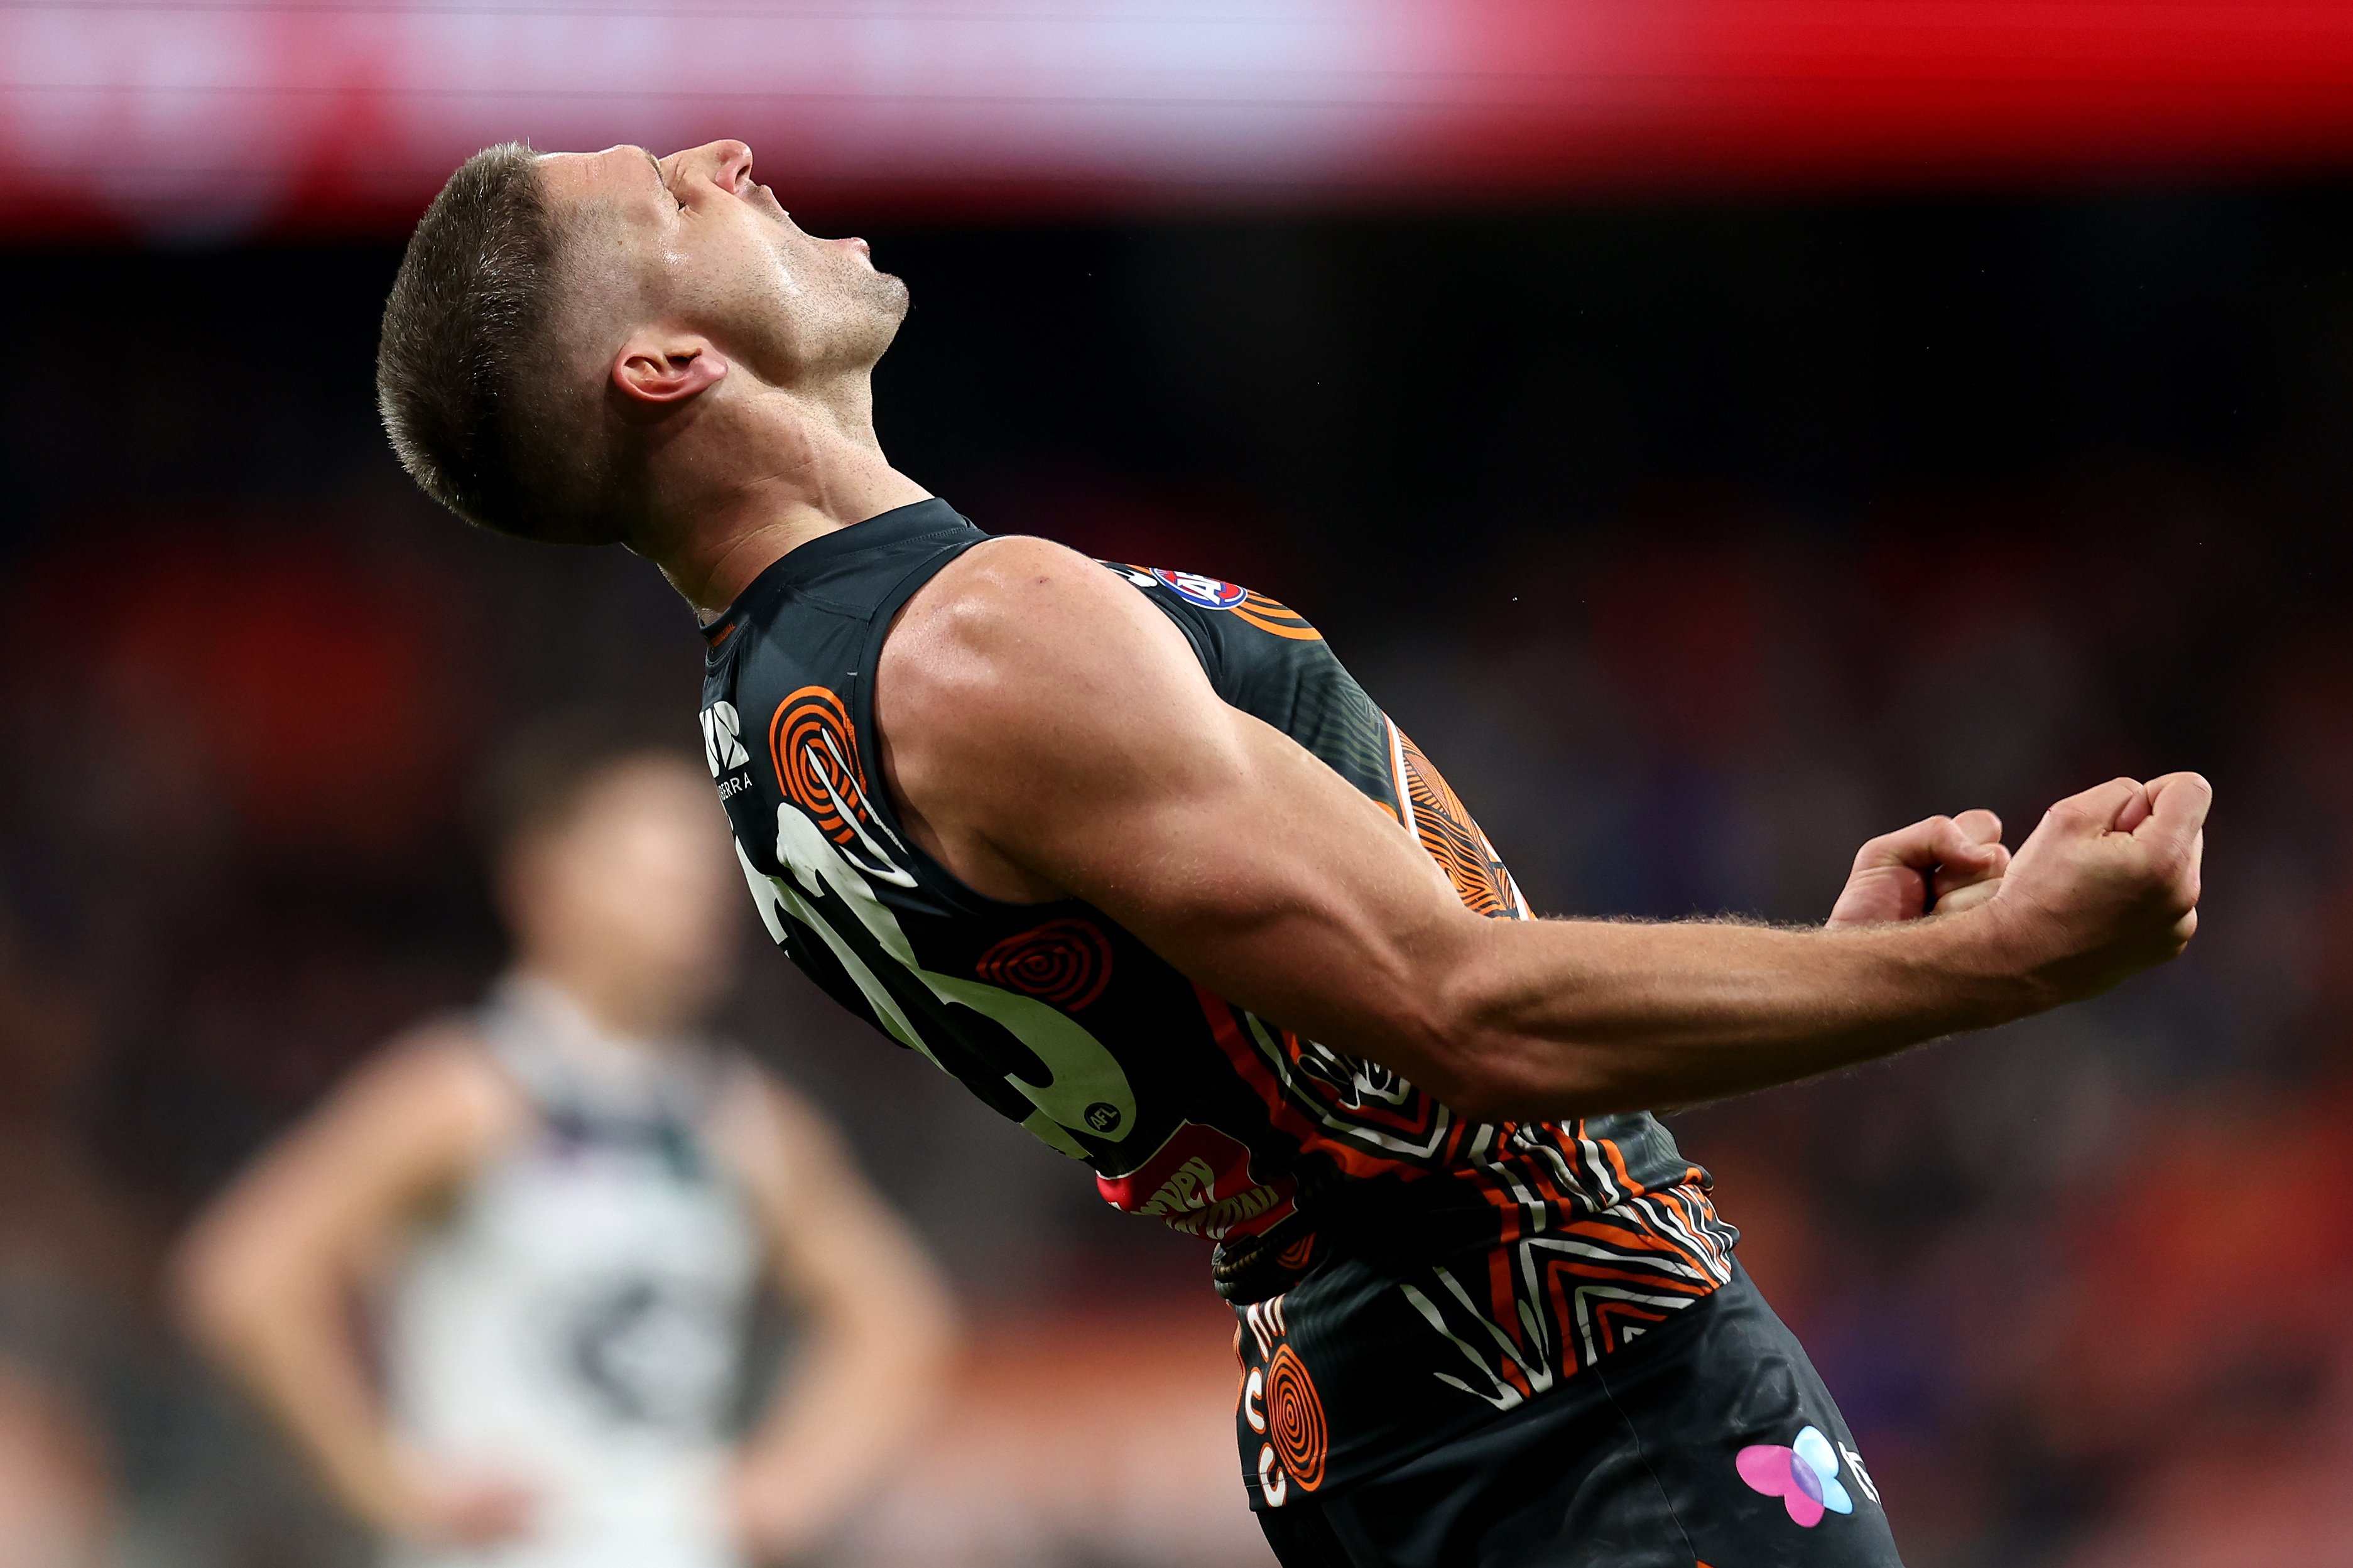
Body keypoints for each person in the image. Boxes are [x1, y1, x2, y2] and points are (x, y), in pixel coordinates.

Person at [366, 139, 2209, 1568]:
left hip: (1396, 1422)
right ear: (664, 363)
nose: (726, 155)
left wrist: (1831, 964)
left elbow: (1322, 1065)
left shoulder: (773, 741)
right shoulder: (977, 635)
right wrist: (1995, 967)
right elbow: (1457, 1014)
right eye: (669, 193)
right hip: (1584, 1407)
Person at [171, 723, 956, 1568]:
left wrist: (790, 1490)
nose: (694, 904)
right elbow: (244, 1276)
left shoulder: (745, 1122)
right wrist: (385, 1482)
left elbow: (898, 1318)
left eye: (704, 874)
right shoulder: (460, 1093)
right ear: (544, 886)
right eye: (653, 873)